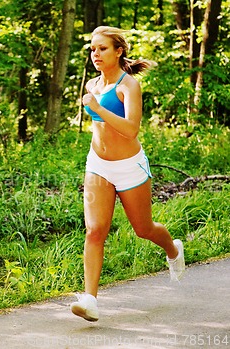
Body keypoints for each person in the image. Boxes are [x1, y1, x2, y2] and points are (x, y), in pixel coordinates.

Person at [70, 26, 185, 322]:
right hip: (98, 164)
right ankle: (90, 300)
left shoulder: (128, 85)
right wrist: (93, 102)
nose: (96, 54)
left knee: (143, 229)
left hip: (129, 166)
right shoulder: (92, 85)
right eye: (93, 49)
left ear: (118, 51)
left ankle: (173, 249)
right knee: (95, 230)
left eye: (102, 49)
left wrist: (96, 107)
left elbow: (131, 129)